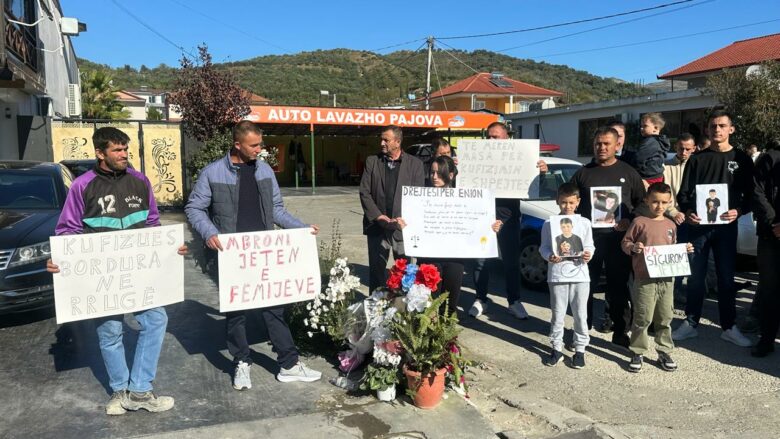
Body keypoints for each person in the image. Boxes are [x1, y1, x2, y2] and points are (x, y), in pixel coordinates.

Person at [47, 127, 187, 415]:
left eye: (125, 149)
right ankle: (120, 391)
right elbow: (67, 231)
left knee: (156, 320)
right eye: (117, 150)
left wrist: (169, 249)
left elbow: (152, 225)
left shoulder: (140, 181)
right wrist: (61, 259)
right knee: (110, 332)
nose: (124, 155)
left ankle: (140, 391)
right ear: (100, 153)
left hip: (140, 275)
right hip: (103, 279)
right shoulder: (82, 186)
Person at [185, 121, 322, 390]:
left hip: (264, 254)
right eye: (254, 145)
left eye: (260, 144)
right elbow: (194, 208)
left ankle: (289, 364)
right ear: (237, 145)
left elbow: (277, 211)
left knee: (275, 309)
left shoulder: (264, 170)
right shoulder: (213, 173)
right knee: (236, 313)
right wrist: (210, 233)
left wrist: (303, 229)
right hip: (233, 257)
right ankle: (242, 362)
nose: (260, 149)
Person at [674, 109, 754, 346]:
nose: (717, 130)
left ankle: (729, 326)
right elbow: (684, 194)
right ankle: (690, 322)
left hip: (726, 229)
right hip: (698, 229)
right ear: (708, 130)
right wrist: (689, 212)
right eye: (713, 126)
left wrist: (738, 211)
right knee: (696, 278)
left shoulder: (742, 159)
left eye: (721, 125)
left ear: (731, 129)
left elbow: (752, 195)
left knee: (726, 278)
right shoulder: (697, 159)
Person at [570, 126, 646, 348]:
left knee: (618, 287)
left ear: (617, 145)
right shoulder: (583, 173)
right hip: (588, 241)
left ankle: (620, 332)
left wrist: (629, 219)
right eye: (597, 144)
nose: (601, 147)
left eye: (606, 144)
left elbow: (642, 202)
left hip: (618, 241)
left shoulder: (629, 172)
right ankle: (582, 331)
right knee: (585, 286)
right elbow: (569, 203)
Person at [397, 155, 501, 315]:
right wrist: (406, 225)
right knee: (427, 303)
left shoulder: (464, 199)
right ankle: (428, 338)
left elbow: (476, 222)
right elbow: (413, 221)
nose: (434, 177)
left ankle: (447, 337)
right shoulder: (418, 196)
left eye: (439, 173)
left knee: (450, 303)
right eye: (432, 172)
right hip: (429, 257)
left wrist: (490, 227)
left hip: (455, 258)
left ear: (451, 175)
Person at [468, 122, 549, 319]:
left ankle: (514, 301)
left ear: (506, 139)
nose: (490, 140)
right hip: (482, 218)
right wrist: (462, 167)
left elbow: (533, 190)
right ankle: (481, 299)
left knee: (511, 262)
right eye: (488, 136)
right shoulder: (478, 159)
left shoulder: (520, 158)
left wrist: (542, 173)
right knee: (480, 262)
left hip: (509, 219)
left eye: (495, 137)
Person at [621, 182, 693, 372]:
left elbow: (673, 248)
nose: (659, 206)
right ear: (647, 200)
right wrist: (633, 248)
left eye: (663, 202)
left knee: (665, 317)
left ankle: (664, 350)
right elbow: (625, 242)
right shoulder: (639, 222)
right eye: (654, 202)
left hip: (666, 279)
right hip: (644, 278)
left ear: (669, 202)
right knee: (642, 317)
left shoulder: (671, 225)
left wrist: (684, 250)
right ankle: (638, 351)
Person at [359, 125, 425, 291]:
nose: (382, 143)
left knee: (404, 273)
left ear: (397, 142)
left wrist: (402, 219)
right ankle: (376, 307)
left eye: (386, 140)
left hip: (402, 228)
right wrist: (377, 216)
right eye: (381, 139)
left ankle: (402, 308)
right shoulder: (372, 161)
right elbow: (364, 192)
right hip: (377, 226)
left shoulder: (415, 165)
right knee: (376, 272)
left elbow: (418, 196)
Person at [539, 183, 594, 368]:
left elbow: (589, 245)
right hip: (557, 275)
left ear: (578, 202)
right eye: (564, 202)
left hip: (580, 275)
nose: (567, 206)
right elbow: (544, 247)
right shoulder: (550, 224)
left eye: (571, 202)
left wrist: (588, 254)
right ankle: (556, 348)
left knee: (580, 314)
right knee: (558, 313)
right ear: (557, 201)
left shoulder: (584, 223)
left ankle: (580, 349)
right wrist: (549, 256)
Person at [750, 139, 780, 357]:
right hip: (770, 236)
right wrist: (773, 223)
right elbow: (756, 191)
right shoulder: (769, 157)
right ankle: (766, 338)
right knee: (769, 289)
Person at [624, 113, 671, 187]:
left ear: (656, 128)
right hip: (657, 176)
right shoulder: (660, 141)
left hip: (647, 178)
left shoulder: (650, 141)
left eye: (645, 126)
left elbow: (638, 159)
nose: (641, 128)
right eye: (641, 126)